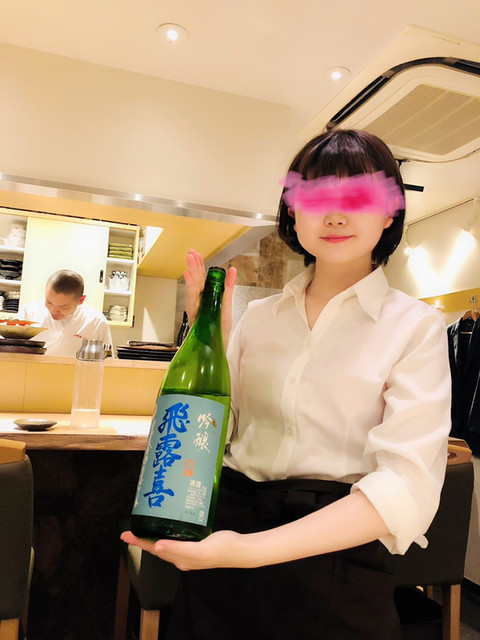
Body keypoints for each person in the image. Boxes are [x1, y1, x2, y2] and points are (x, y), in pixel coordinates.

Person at [122, 129, 451, 640]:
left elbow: (405, 485)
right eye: (316, 197)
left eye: (358, 197)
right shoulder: (258, 319)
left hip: (333, 562)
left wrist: (250, 551)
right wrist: (210, 342)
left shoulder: (415, 327)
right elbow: (210, 437)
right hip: (225, 542)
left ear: (390, 212)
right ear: (293, 212)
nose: (335, 215)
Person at [18, 269, 112, 357]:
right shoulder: (29, 312)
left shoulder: (96, 322)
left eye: (63, 307)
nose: (54, 310)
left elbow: (107, 361)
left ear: (80, 300)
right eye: (49, 302)